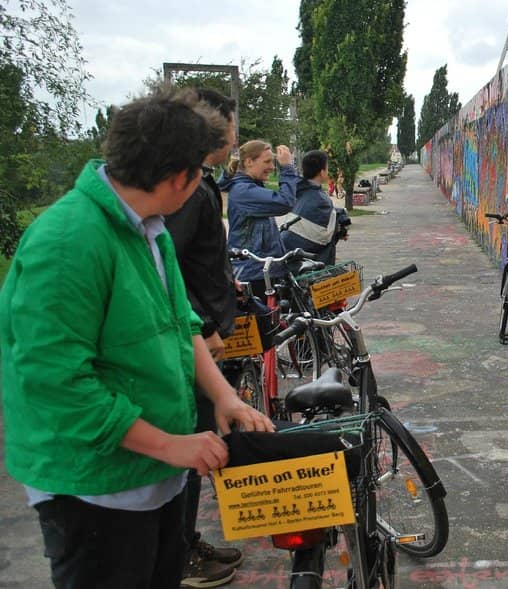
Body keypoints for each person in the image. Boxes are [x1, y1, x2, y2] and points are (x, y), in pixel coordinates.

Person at [0, 87, 275, 589]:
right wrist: (170, 445)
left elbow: (179, 321)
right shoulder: (68, 243)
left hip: (154, 476)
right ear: (180, 178)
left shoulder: (149, 227)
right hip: (96, 491)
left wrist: (222, 396)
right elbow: (56, 385)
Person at [163, 88, 245, 587]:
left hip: (200, 335)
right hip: (195, 340)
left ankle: (184, 542)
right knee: (193, 444)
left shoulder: (199, 187)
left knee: (200, 437)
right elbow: (167, 269)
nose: (234, 137)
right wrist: (206, 326)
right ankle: (180, 552)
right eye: (232, 125)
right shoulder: (189, 191)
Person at [220, 139, 299, 291]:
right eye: (267, 162)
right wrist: (287, 168)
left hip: (264, 271)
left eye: (273, 162)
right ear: (249, 162)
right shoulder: (243, 191)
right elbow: (285, 202)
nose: (271, 167)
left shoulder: (253, 186)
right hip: (253, 273)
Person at [280, 149, 350, 266]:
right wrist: (340, 230)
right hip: (302, 257)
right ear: (322, 172)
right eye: (327, 168)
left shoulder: (299, 189)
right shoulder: (321, 199)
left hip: (285, 246)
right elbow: (325, 235)